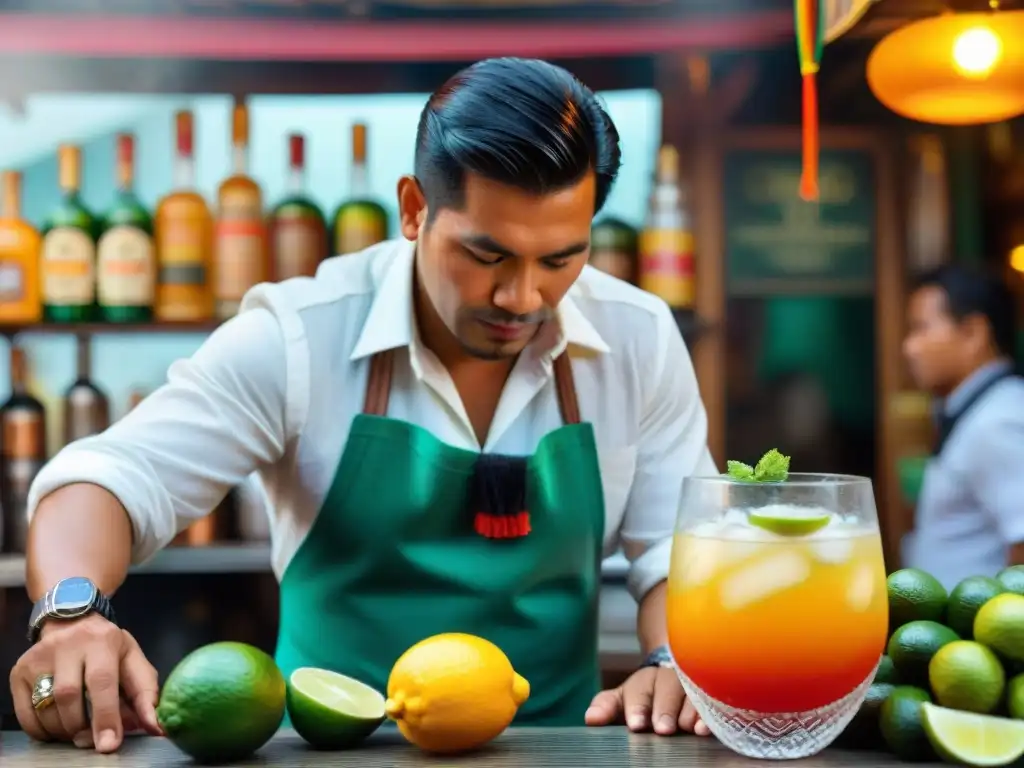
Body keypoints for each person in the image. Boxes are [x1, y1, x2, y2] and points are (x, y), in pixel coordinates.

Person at [9, 57, 717, 753]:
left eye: (561, 260)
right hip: (323, 752)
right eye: (487, 256)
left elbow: (678, 553)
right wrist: (71, 616)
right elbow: (109, 476)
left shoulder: (638, 338)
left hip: (560, 749)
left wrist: (670, 662)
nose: (522, 298)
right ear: (414, 208)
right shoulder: (298, 337)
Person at [902, 264, 1024, 589]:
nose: (909, 347)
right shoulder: (983, 408)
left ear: (973, 333)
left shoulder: (998, 420)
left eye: (921, 329)